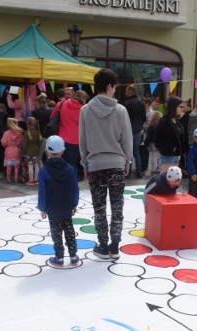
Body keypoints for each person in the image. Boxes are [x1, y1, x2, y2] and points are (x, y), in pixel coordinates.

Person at [79, 68, 133, 260]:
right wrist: (128, 160)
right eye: (114, 87)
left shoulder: (85, 110)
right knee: (117, 207)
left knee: (99, 207)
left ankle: (103, 246)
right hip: (117, 164)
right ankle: (115, 246)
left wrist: (85, 163)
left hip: (95, 165)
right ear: (110, 86)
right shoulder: (120, 110)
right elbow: (127, 139)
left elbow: (82, 140)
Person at [37, 135, 79, 266]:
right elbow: (74, 189)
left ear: (46, 151)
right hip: (67, 206)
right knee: (69, 230)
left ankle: (59, 257)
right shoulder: (70, 169)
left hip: (52, 208)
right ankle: (73, 256)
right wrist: (74, 204)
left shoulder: (44, 171)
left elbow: (42, 192)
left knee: (56, 233)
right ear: (63, 150)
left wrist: (42, 208)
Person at [55, 90, 87, 180]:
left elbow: (52, 117)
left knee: (61, 161)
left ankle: (62, 178)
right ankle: (71, 180)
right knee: (72, 162)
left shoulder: (61, 104)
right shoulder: (84, 109)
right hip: (76, 140)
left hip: (61, 138)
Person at [123, 86, 147, 178]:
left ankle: (127, 173)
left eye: (126, 92)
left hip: (129, 129)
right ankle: (139, 173)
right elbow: (144, 117)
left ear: (130, 92)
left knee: (128, 152)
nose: (125, 94)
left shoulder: (127, 103)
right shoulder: (141, 102)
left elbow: (125, 118)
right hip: (138, 129)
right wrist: (140, 126)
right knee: (136, 151)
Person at [155, 97, 184, 173]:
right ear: (174, 107)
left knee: (173, 180)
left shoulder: (177, 122)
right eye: (180, 107)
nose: (182, 109)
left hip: (176, 156)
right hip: (167, 156)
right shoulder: (164, 121)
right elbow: (157, 140)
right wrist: (169, 148)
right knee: (166, 180)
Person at [1, 118, 23, 183]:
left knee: (9, 166)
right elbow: (21, 142)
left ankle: (8, 178)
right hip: (17, 150)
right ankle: (16, 178)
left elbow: (3, 143)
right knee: (16, 166)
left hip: (8, 150)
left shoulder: (6, 133)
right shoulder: (19, 133)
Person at [22, 117, 42, 185]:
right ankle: (36, 180)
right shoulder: (38, 132)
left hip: (29, 152)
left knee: (30, 165)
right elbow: (40, 143)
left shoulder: (26, 133)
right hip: (36, 151)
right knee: (36, 165)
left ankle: (31, 180)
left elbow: (24, 144)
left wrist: (23, 152)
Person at [145, 111, 162, 176]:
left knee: (154, 157)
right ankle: (159, 169)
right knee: (160, 157)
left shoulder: (151, 126)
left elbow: (149, 136)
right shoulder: (161, 125)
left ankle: (154, 169)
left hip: (153, 142)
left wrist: (147, 143)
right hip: (160, 143)